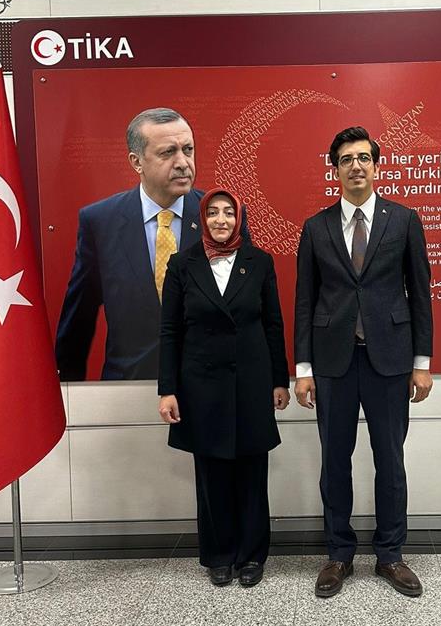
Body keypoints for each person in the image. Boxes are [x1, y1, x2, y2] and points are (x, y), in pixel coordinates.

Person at [294, 126, 434, 598]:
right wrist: (303, 370)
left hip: (390, 361)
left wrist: (421, 361)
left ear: (375, 166)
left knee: (390, 461)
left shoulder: (404, 220)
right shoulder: (316, 227)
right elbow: (305, 301)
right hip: (333, 363)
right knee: (334, 462)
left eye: (363, 158)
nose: (355, 166)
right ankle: (338, 553)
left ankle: (391, 555)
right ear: (334, 169)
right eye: (345, 159)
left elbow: (420, 295)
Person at [55, 107, 249, 381]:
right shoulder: (100, 222)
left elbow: (250, 309)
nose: (182, 163)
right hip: (130, 385)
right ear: (137, 162)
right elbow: (79, 317)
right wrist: (66, 391)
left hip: (211, 385)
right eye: (168, 152)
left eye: (188, 150)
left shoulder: (225, 217)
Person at [158, 188, 290, 587]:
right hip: (201, 385)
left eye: (228, 213)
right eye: (213, 212)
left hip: (252, 382)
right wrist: (167, 389)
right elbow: (170, 330)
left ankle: (251, 556)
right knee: (212, 474)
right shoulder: (182, 264)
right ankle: (218, 555)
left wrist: (279, 380)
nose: (221, 220)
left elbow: (273, 325)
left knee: (252, 473)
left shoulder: (259, 262)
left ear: (239, 219)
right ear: (202, 218)